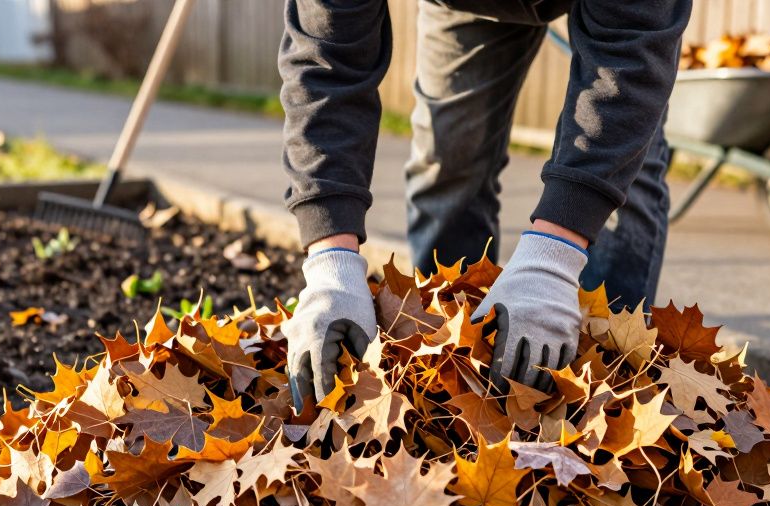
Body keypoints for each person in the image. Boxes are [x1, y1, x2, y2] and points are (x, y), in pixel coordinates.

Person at [280, 0, 691, 411]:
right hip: (466, 4)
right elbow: (325, 61)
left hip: (627, 17)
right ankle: (450, 378)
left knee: (624, 175)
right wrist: (330, 262)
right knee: (448, 165)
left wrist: (553, 257)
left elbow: (629, 51)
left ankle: (607, 395)